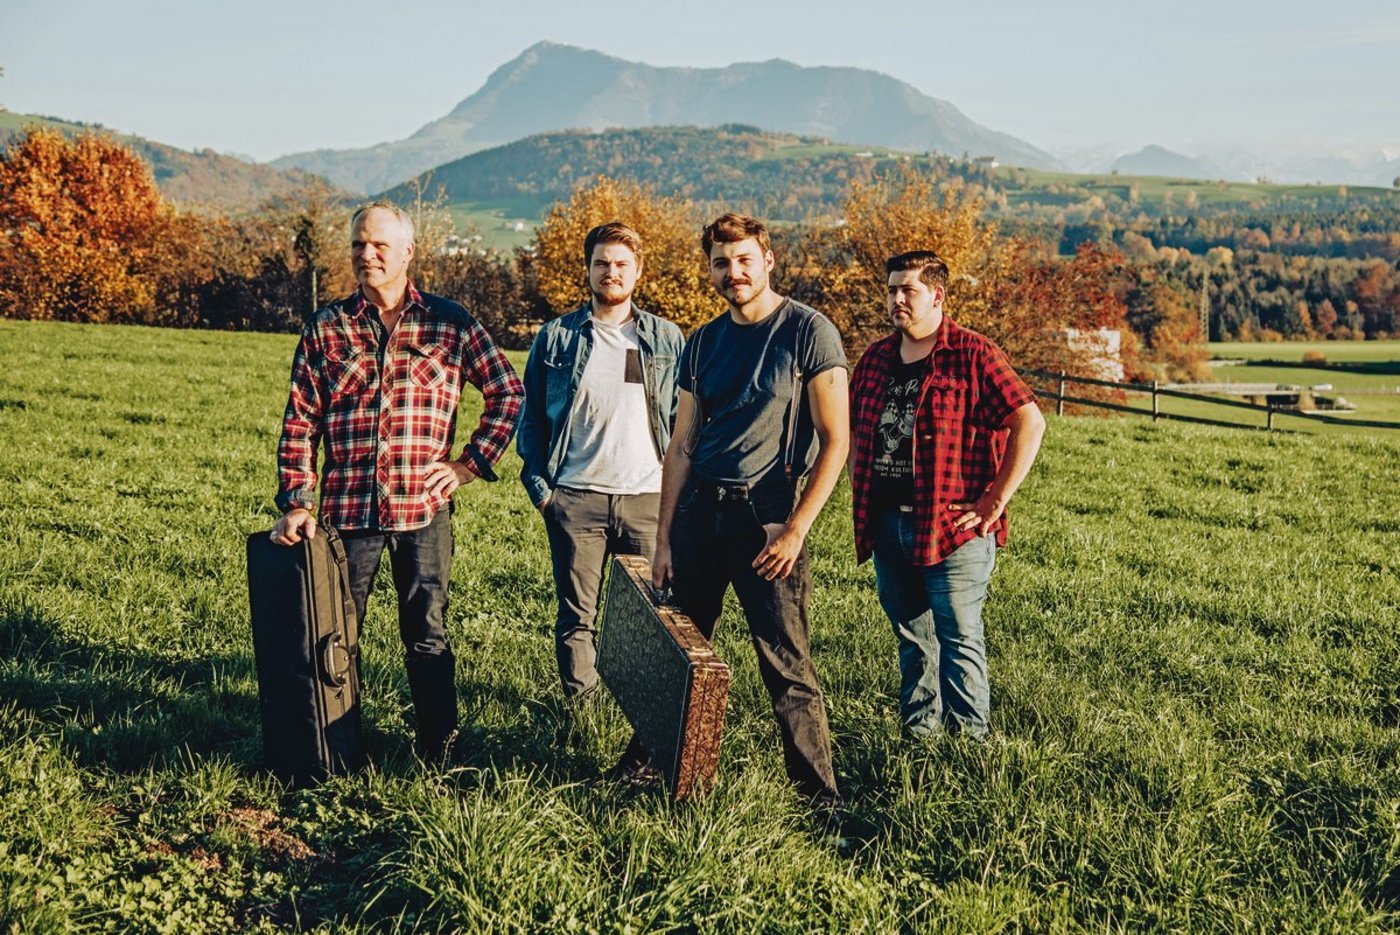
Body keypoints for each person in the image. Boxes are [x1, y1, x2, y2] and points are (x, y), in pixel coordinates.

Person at [270, 200, 524, 761]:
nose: (368, 255)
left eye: (380, 245)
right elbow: (300, 419)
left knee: (427, 635)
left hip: (423, 510)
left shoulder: (448, 322)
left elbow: (509, 392)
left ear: (408, 251)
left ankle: (440, 753)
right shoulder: (326, 327)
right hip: (346, 510)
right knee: (334, 635)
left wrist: (467, 466)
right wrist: (296, 500)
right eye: (359, 245)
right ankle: (333, 751)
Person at [614, 213, 849, 811]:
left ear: (768, 260)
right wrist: (664, 539)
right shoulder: (704, 341)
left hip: (765, 520)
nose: (733, 272)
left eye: (744, 260)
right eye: (721, 262)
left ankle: (819, 799)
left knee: (784, 662)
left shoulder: (808, 332)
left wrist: (798, 528)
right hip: (699, 515)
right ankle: (646, 766)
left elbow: (835, 439)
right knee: (679, 652)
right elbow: (683, 442)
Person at [848, 250, 1045, 741]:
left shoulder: (974, 355)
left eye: (908, 290)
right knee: (912, 636)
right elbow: (853, 431)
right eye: (892, 289)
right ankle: (920, 736)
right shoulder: (875, 358)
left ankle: (970, 743)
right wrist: (859, 482)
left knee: (959, 637)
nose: (896, 299)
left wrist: (993, 502)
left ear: (937, 295)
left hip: (953, 527)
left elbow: (1030, 420)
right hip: (889, 522)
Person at [517, 221, 684, 703]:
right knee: (577, 616)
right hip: (576, 499)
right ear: (588, 270)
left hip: (647, 500)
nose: (611, 272)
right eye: (602, 263)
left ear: (638, 272)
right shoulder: (556, 338)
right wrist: (544, 493)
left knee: (654, 614)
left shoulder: (666, 340)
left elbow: (683, 419)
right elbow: (530, 417)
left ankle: (645, 714)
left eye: (621, 264)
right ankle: (585, 712)